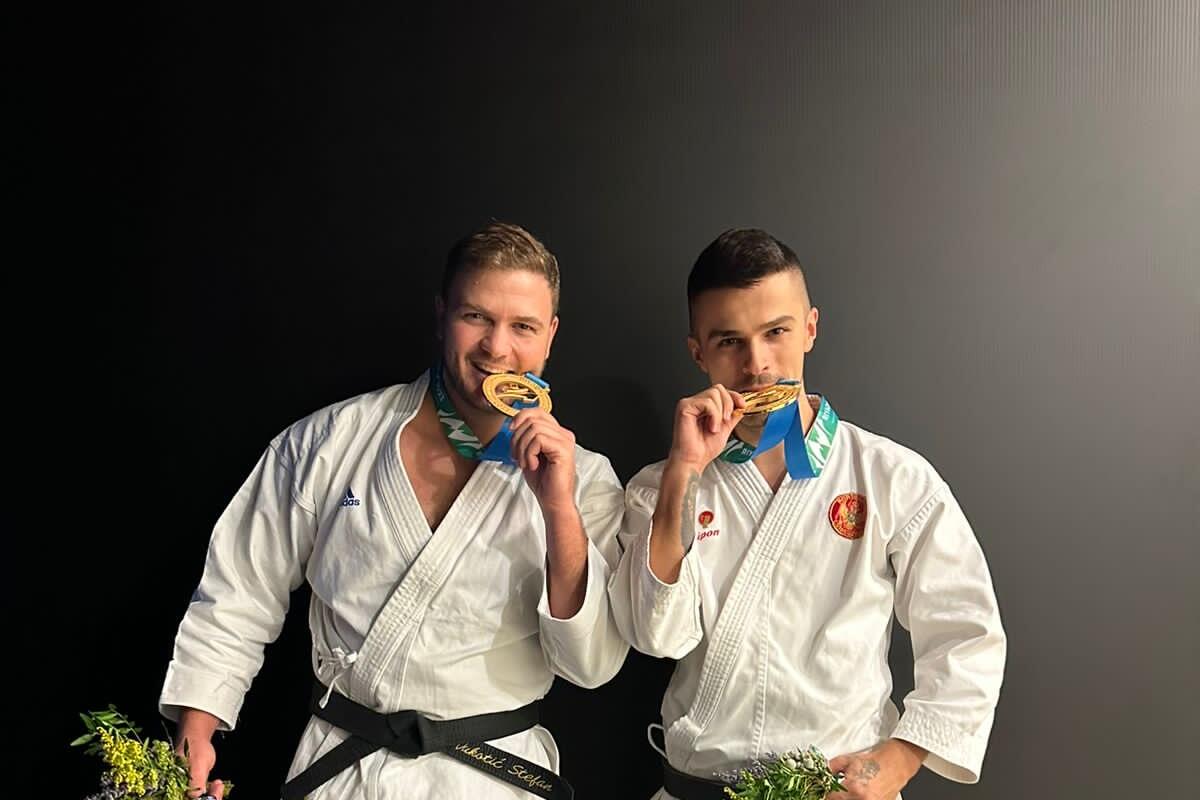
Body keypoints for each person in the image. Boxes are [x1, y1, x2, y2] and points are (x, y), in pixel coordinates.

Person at [160, 222, 629, 800]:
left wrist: (557, 506)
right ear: (442, 314)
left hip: (491, 780)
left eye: (522, 326)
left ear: (550, 335)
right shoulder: (331, 440)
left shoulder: (586, 481)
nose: (496, 347)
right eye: (476, 316)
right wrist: (198, 729)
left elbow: (590, 664)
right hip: (343, 771)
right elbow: (239, 591)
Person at [609, 228, 1006, 800]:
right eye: (729, 341)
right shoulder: (659, 487)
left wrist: (899, 758)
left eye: (776, 332)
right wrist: (683, 471)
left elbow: (967, 630)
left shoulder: (891, 475)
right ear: (699, 353)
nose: (757, 364)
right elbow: (655, 636)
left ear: (810, 328)